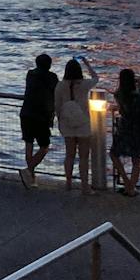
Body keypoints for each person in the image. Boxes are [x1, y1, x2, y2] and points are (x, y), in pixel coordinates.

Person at [55, 55, 98, 190]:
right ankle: (85, 185)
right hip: (83, 124)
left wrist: (60, 122)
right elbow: (96, 78)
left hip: (67, 124)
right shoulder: (84, 85)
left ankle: (68, 183)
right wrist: (87, 63)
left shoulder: (60, 85)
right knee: (84, 157)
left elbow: (57, 106)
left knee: (69, 155)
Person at [109, 67, 140, 195]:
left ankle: (127, 182)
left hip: (124, 128)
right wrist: (138, 87)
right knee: (136, 160)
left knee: (114, 154)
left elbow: (121, 98)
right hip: (138, 129)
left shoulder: (119, 95)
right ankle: (131, 188)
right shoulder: (139, 96)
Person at [19, 51, 58, 185]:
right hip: (41, 116)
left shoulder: (30, 74)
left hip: (26, 113)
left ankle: (31, 178)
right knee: (44, 146)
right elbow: (55, 93)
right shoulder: (52, 78)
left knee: (28, 144)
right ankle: (29, 171)